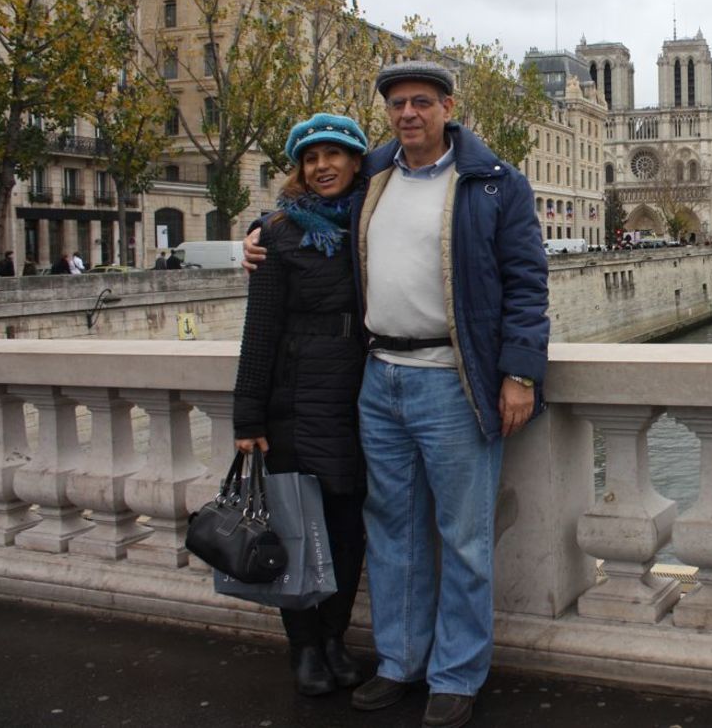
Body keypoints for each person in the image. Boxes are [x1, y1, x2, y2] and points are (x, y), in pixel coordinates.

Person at [245, 61, 549, 728]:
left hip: (453, 378)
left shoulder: (495, 184)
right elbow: (310, 202)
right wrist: (260, 233)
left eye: (420, 102)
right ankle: (399, 660)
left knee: (463, 537)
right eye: (396, 105)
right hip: (378, 379)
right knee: (393, 534)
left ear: (447, 106)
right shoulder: (374, 176)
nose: (407, 114)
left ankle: (456, 673)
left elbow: (527, 283)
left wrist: (520, 372)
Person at [232, 113, 371, 698]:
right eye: (311, 159)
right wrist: (248, 416)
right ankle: (305, 648)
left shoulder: (372, 223)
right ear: (299, 168)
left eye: (334, 155)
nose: (322, 167)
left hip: (357, 398)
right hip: (293, 400)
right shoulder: (277, 232)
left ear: (357, 162)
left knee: (345, 533)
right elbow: (259, 329)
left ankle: (335, 638)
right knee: (295, 532)